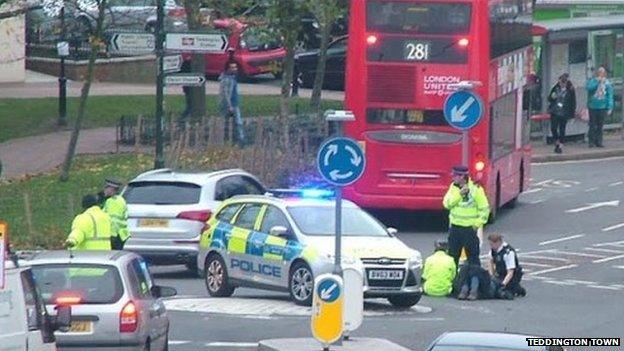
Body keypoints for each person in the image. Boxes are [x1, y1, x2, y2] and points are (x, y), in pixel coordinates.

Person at [443, 165, 490, 267]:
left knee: (473, 259)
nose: (453, 177)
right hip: (455, 228)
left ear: (462, 177)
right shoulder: (453, 187)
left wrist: (476, 225)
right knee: (452, 258)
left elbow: (485, 209)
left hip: (469, 229)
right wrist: (459, 194)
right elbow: (447, 204)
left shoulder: (476, 189)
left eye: (455, 176)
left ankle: (475, 281)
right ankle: (454, 281)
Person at [487, 233, 526, 300]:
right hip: (500, 275)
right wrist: (491, 276)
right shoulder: (493, 251)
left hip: (512, 277)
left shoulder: (508, 252)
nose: (491, 246)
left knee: (501, 291)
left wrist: (503, 285)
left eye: (492, 244)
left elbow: (510, 272)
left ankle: (518, 289)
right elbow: (490, 262)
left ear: (498, 242)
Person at [547, 73, 576, 154]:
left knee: (562, 129)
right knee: (553, 128)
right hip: (555, 111)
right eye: (560, 82)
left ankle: (560, 145)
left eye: (563, 83)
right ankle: (556, 141)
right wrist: (552, 97)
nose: (561, 84)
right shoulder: (555, 88)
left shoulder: (570, 90)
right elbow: (549, 98)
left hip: (564, 112)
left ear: (566, 83)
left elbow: (573, 102)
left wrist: (572, 114)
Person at [586, 66, 614, 148]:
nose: (601, 74)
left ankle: (599, 141)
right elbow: (589, 88)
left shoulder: (607, 83)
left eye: (603, 72)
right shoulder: (593, 80)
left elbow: (610, 95)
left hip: (602, 107)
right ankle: (591, 142)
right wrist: (597, 82)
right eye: (600, 72)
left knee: (600, 125)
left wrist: (610, 107)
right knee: (592, 125)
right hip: (593, 106)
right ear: (597, 73)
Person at [219, 60, 245, 146]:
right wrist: (229, 105)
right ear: (228, 69)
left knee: (234, 122)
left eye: (235, 67)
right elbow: (225, 93)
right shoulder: (227, 79)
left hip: (235, 104)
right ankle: (241, 140)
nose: (234, 69)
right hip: (230, 104)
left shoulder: (233, 78)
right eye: (232, 67)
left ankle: (234, 139)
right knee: (237, 122)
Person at [101, 179, 130, 250]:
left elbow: (113, 221)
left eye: (106, 188)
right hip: (121, 234)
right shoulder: (120, 200)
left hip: (115, 235)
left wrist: (111, 236)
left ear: (112, 189)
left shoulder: (112, 202)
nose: (104, 190)